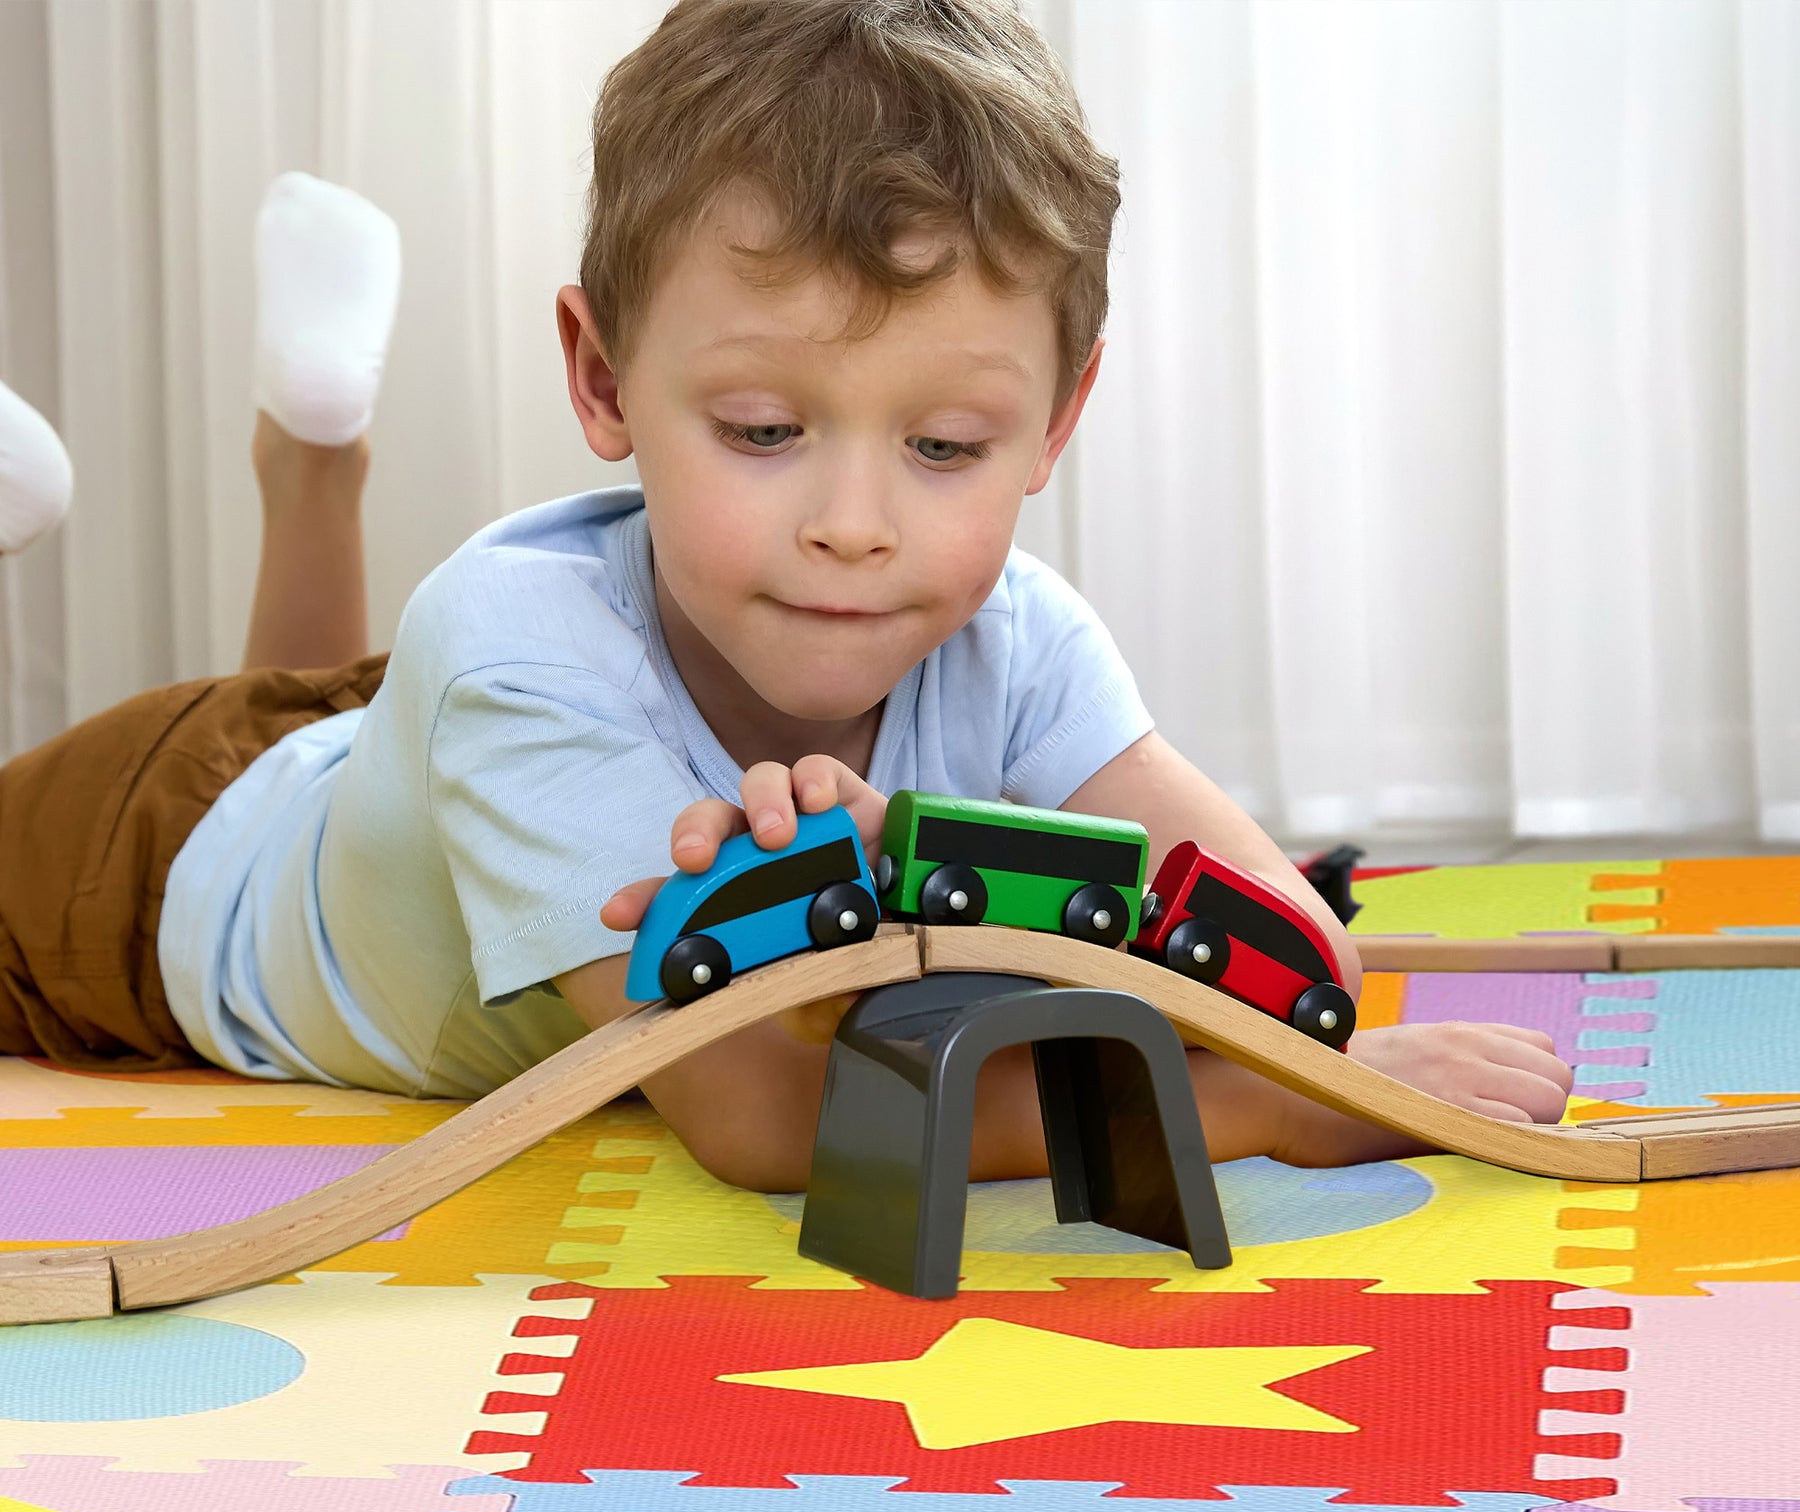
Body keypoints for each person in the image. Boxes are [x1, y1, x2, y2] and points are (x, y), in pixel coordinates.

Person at [0, 0, 1572, 1195]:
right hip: (139, 874)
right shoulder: (515, 659)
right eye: (763, 432)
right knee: (318, 732)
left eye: (944, 447)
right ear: (602, 379)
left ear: (1057, 420)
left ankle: (312, 451)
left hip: (398, 777)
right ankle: (267, 467)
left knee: (353, 718)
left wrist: (941, 873)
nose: (853, 529)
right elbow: (760, 1114)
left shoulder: (1017, 637)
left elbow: (1292, 952)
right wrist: (1258, 1104)